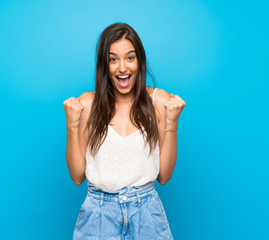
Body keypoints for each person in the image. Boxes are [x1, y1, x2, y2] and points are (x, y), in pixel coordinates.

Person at [63, 22, 186, 240]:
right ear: (104, 64)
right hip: (98, 214)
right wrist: (71, 124)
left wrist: (172, 123)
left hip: (146, 213)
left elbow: (164, 176)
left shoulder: (158, 101)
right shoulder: (88, 104)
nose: (122, 68)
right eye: (113, 59)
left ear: (139, 61)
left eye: (130, 57)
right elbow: (77, 176)